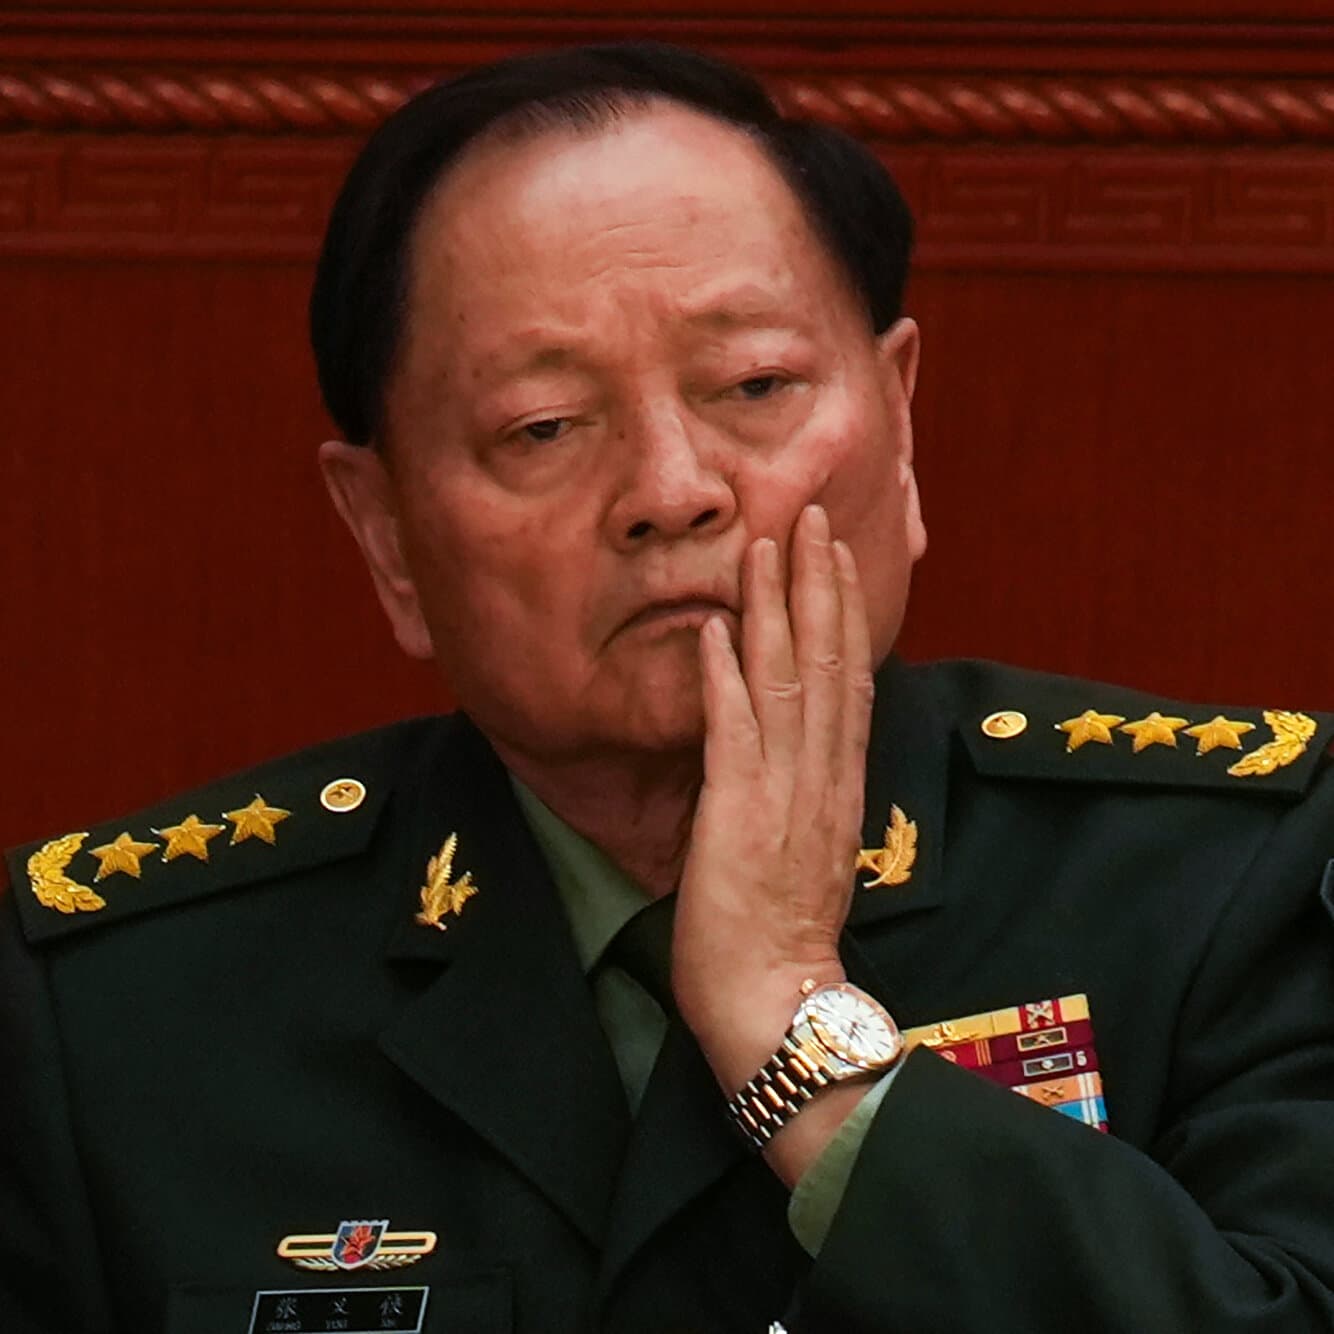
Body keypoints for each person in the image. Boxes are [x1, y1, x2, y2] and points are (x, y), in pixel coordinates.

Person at [3, 41, 1333, 1334]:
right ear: (385, 537)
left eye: (754, 384)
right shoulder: (105, 1010)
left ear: (899, 416)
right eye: (542, 426)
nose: (670, 489)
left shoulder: (1234, 881)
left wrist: (793, 1026)